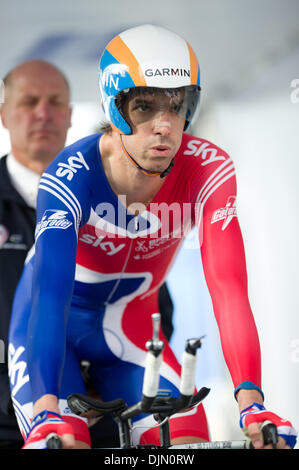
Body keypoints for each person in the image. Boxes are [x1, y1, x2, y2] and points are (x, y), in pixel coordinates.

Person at [8, 25, 297, 449]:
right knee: (63, 441)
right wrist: (46, 406)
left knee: (187, 447)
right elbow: (50, 297)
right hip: (55, 331)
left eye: (178, 104)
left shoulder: (208, 170)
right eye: (144, 106)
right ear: (114, 107)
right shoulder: (69, 177)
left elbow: (228, 288)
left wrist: (252, 403)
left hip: (135, 332)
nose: (163, 126)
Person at [0, 59, 72, 448]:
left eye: (54, 102)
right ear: (4, 115)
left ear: (71, 115)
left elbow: (150, 302)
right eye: (29, 102)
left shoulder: (110, 202)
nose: (43, 113)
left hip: (96, 416)